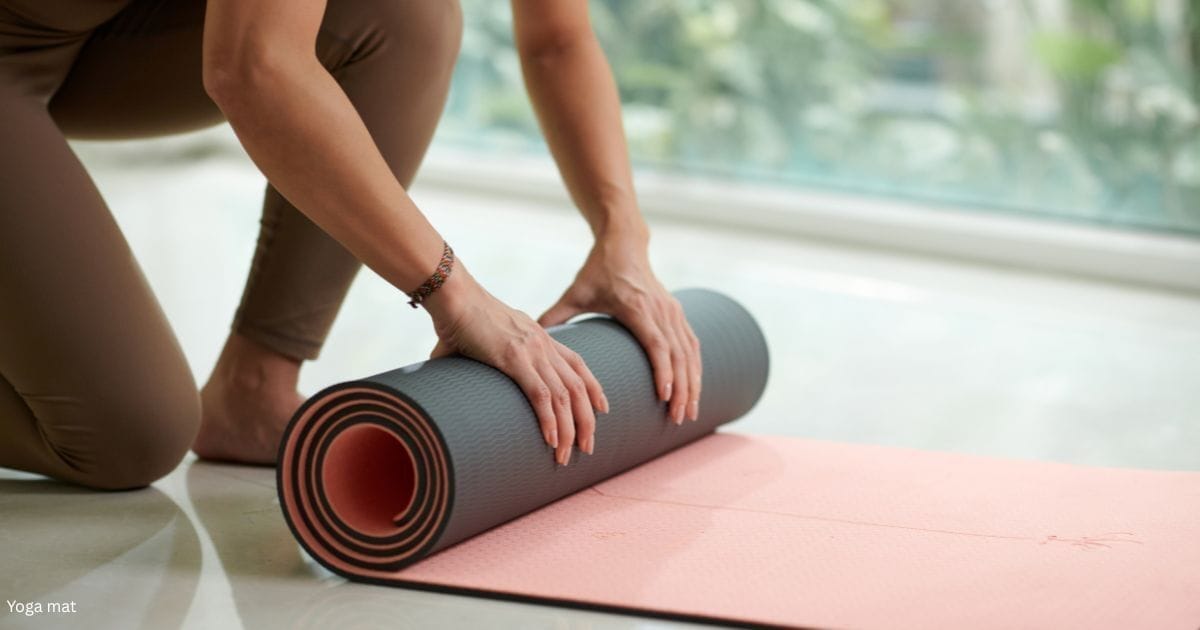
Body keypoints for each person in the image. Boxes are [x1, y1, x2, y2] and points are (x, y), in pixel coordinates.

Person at [0, 0, 702, 490]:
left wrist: (623, 240)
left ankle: (253, 392)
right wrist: (458, 298)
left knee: (404, 15)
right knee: (127, 437)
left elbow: (557, 37)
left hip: (80, 37)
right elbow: (255, 68)